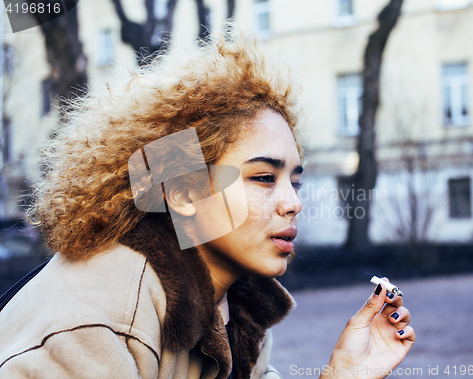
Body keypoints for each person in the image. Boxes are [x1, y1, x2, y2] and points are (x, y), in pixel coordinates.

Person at [0, 28, 414, 378]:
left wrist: (341, 372)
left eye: (295, 181)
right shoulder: (96, 321)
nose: (292, 203)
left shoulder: (237, 308)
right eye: (264, 178)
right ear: (181, 193)